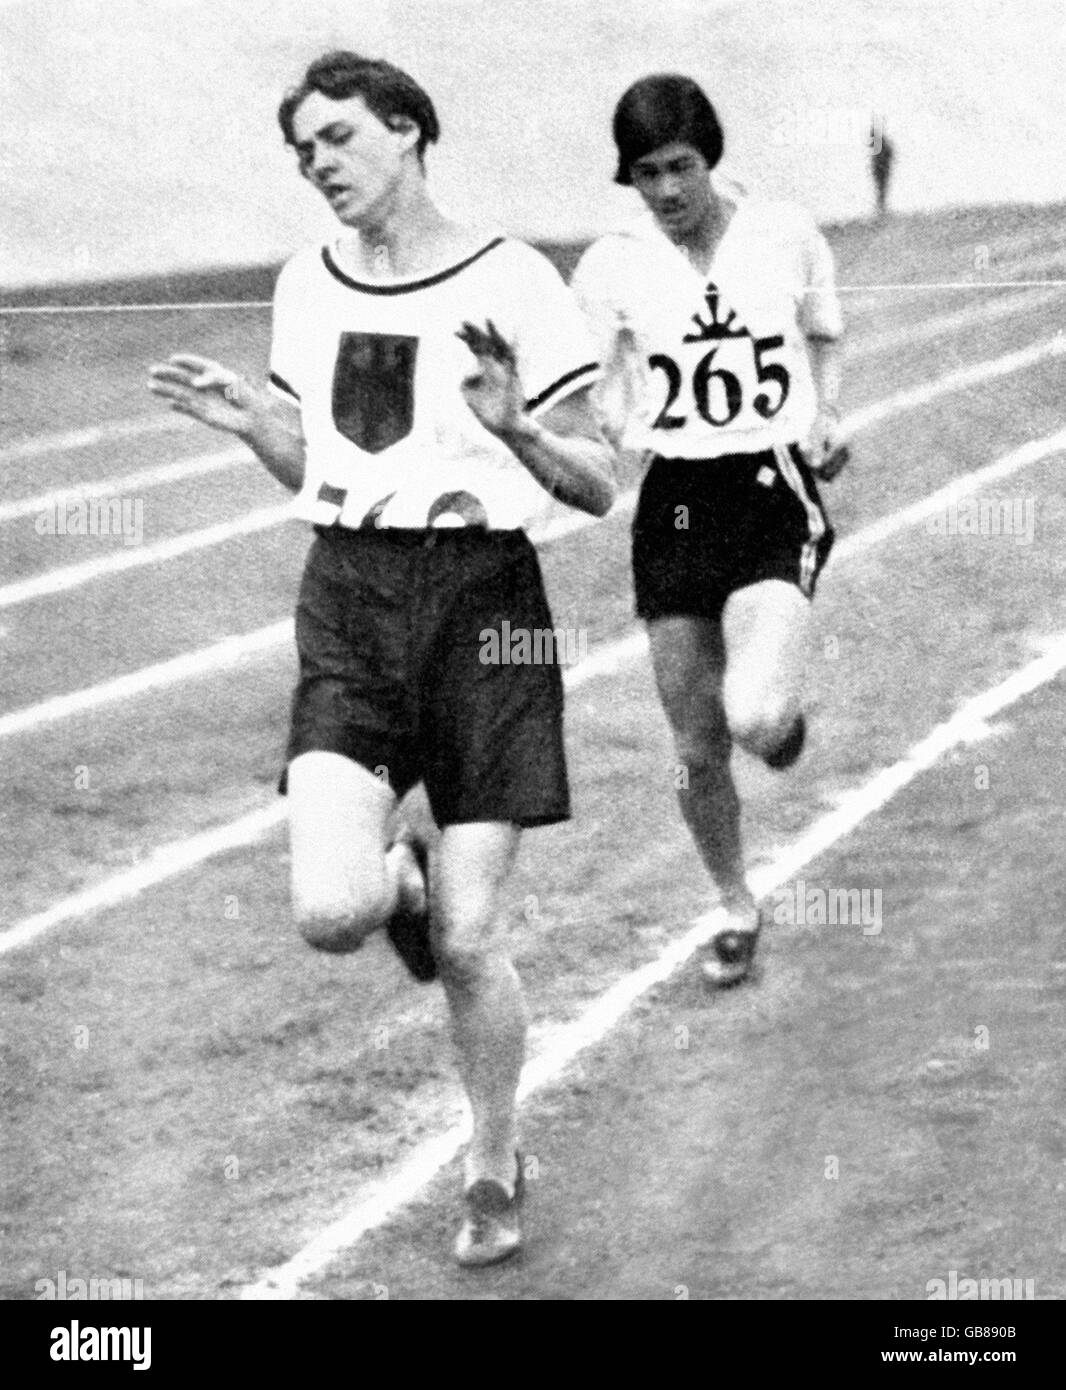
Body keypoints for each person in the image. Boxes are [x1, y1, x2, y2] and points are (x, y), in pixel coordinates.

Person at [148, 51, 615, 1267]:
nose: (322, 167)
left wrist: (515, 425)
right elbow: (316, 463)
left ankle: (492, 1162)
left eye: (340, 138)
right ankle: (395, 876)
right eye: (305, 152)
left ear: (408, 131)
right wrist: (253, 421)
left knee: (469, 944)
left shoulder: (514, 277)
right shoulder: (306, 283)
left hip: (484, 611)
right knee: (330, 910)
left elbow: (599, 479)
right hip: (349, 599)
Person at [571, 74, 847, 987]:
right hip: (677, 504)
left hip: (770, 486)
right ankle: (735, 902)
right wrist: (600, 414)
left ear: (711, 157)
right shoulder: (612, 264)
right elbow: (588, 383)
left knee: (756, 716)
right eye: (646, 173)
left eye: (681, 166)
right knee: (694, 750)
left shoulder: (783, 232)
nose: (667, 191)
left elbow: (822, 329)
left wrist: (829, 414)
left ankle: (781, 728)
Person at [872, 131, 894, 218]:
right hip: (882, 171)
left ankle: (881, 209)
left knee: (881, 190)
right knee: (881, 190)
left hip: (881, 171)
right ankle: (881, 208)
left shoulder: (881, 146)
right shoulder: (881, 145)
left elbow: (878, 160)